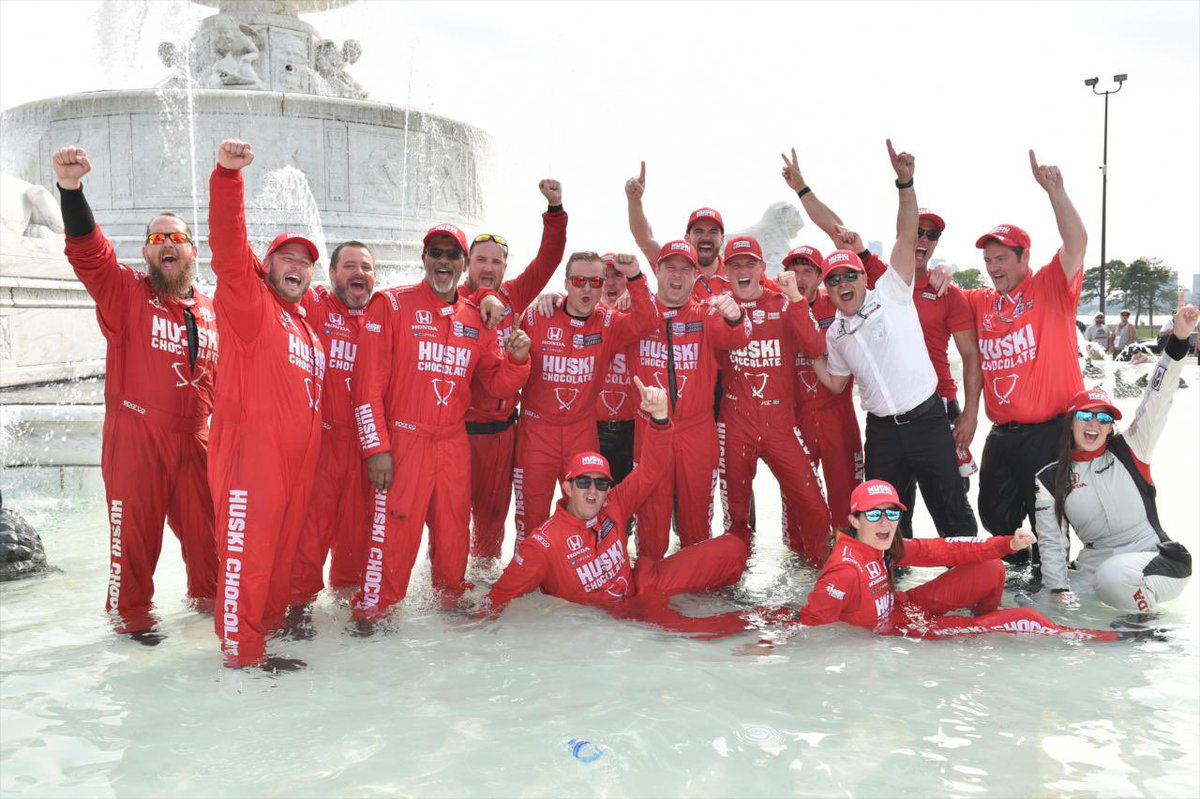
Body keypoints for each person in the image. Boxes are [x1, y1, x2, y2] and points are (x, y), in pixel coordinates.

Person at [53, 145, 218, 643]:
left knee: (212, 550)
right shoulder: (126, 294)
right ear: (147, 252)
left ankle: (209, 616)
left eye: (178, 238)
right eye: (158, 238)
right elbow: (89, 252)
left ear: (193, 251)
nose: (169, 244)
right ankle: (133, 627)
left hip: (197, 441)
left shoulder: (212, 309)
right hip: (137, 438)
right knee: (133, 549)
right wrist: (70, 189)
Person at [781, 146, 980, 539]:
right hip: (883, 433)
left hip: (929, 419)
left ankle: (975, 593)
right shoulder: (834, 332)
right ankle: (890, 592)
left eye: (849, 276)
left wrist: (905, 182)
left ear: (863, 275)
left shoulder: (891, 288)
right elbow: (835, 382)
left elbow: (905, 234)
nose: (842, 284)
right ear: (828, 288)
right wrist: (809, 345)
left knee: (952, 512)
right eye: (833, 280)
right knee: (883, 523)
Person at [351, 222, 532, 624]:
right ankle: (375, 611)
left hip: (453, 441)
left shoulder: (475, 317)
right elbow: (366, 388)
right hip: (404, 439)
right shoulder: (392, 305)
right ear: (425, 259)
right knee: (395, 532)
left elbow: (496, 381)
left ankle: (449, 599)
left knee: (453, 530)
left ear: (463, 265)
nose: (444, 261)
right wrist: (376, 448)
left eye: (453, 255)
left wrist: (518, 360)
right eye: (437, 253)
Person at [484, 378, 760, 639]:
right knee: (716, 635)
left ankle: (725, 604)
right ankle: (768, 632)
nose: (593, 491)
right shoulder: (542, 544)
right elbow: (499, 598)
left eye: (601, 484)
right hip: (610, 618)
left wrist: (660, 419)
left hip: (642, 587)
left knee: (733, 549)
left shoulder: (613, 503)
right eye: (584, 482)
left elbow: (650, 472)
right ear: (567, 488)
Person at [207, 139, 326, 671]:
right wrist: (228, 179)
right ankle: (242, 656)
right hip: (249, 458)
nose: (297, 266)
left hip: (292, 465)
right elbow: (230, 253)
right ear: (269, 264)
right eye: (286, 258)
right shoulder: (250, 305)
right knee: (247, 559)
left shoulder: (306, 327)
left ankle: (266, 634)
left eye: (305, 261)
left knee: (277, 555)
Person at [791, 480, 1124, 641]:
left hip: (903, 607)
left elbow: (946, 549)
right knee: (1026, 617)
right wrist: (767, 645)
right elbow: (809, 627)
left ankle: (985, 624)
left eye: (892, 512)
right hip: (903, 631)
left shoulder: (886, 546)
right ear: (854, 519)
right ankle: (1106, 638)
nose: (884, 522)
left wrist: (1005, 543)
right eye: (874, 514)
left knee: (990, 568)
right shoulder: (844, 572)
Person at [963, 150, 1088, 576]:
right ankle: (1018, 580)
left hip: (1048, 430)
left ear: (1023, 258)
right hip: (1002, 433)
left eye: (1002, 259)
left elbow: (1077, 244)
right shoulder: (981, 302)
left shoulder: (1052, 285)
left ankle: (1054, 589)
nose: (993, 267)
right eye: (988, 261)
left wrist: (1056, 191)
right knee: (994, 515)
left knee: (1048, 518)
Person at [1034, 305, 1197, 612]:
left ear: (1111, 428)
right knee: (1038, 601)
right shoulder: (1048, 478)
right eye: (1085, 416)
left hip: (1157, 561)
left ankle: (1145, 632)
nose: (1094, 424)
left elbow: (1156, 399)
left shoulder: (1132, 449)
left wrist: (1178, 340)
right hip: (1095, 568)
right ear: (1070, 422)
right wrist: (1056, 591)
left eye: (1104, 419)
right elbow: (1052, 542)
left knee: (1114, 577)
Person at [512, 252, 656, 539]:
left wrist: (637, 279)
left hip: (581, 432)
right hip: (536, 432)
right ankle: (530, 582)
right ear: (566, 283)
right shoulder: (537, 314)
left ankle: (574, 578)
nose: (587, 288)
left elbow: (647, 321)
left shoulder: (609, 322)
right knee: (531, 521)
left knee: (585, 516)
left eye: (595, 281)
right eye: (579, 281)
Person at [463, 180, 567, 563]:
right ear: (467, 264)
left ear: (505, 269)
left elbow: (550, 259)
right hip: (460, 432)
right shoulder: (453, 300)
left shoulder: (514, 297)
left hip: (504, 432)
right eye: (481, 260)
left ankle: (485, 590)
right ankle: (447, 594)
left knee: (492, 522)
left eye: (496, 262)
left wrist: (554, 209)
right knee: (451, 520)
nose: (488, 268)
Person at [626, 241, 750, 562]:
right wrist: (551, 299)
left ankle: (697, 598)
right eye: (670, 267)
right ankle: (647, 597)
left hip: (697, 430)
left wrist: (736, 317)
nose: (677, 275)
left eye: (685, 268)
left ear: (696, 275)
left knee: (697, 529)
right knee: (650, 528)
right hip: (650, 432)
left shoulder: (707, 313)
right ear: (657, 271)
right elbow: (594, 317)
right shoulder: (636, 313)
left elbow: (736, 337)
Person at [716, 236, 832, 563]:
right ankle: (735, 588)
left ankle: (819, 581)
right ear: (726, 271)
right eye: (735, 265)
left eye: (749, 264)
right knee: (736, 519)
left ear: (762, 268)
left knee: (815, 508)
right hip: (735, 426)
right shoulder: (719, 306)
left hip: (781, 426)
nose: (743, 271)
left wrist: (795, 297)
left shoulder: (782, 303)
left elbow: (814, 347)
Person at [288, 241, 376, 623]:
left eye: (367, 268)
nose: (359, 273)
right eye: (350, 266)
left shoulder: (385, 313)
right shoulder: (315, 303)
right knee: (312, 530)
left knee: (359, 535)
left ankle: (349, 608)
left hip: (366, 444)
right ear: (333, 274)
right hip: (322, 440)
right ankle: (298, 608)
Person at [781, 244, 864, 529]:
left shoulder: (840, 302)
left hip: (838, 414)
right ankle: (798, 569)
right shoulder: (778, 306)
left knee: (849, 500)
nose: (800, 279)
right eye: (794, 271)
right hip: (796, 418)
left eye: (807, 272)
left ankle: (850, 560)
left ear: (820, 277)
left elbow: (883, 287)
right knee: (797, 504)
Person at [625, 161, 728, 300]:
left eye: (713, 232)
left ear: (722, 239)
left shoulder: (737, 271)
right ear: (687, 238)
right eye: (698, 231)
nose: (705, 237)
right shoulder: (673, 265)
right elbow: (645, 241)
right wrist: (634, 202)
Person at [594, 254, 637, 483]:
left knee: (632, 505)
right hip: (593, 430)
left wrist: (641, 296)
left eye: (618, 276)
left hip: (633, 430)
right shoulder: (585, 315)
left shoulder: (642, 315)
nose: (610, 282)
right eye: (604, 277)